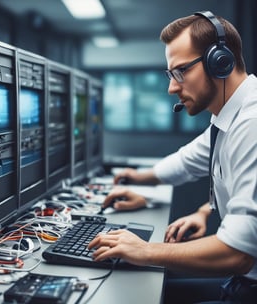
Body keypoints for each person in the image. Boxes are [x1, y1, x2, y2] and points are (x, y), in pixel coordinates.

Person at [88, 11, 257, 303]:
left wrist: (145, 250)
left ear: (220, 62)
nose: (171, 88)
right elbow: (187, 160)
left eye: (180, 72)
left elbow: (238, 253)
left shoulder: (252, 124)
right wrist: (138, 179)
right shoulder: (229, 118)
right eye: (170, 75)